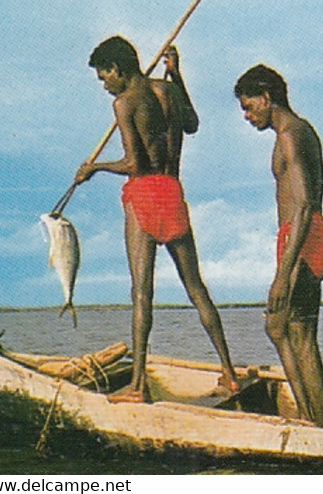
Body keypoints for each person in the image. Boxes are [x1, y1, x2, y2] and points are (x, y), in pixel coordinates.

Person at [73, 36, 238, 402]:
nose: (105, 86)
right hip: (173, 191)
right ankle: (228, 372)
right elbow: (192, 125)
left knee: (141, 293)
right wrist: (177, 75)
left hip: (145, 195)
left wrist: (95, 168)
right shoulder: (167, 90)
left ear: (117, 68)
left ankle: (137, 386)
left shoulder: (125, 103)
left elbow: (136, 164)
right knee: (196, 288)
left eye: (104, 77)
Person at [236, 64, 323, 425]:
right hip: (296, 237)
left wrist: (283, 273)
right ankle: (311, 416)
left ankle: (321, 425)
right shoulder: (295, 132)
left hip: (303, 238)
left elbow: (305, 204)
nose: (248, 116)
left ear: (266, 98)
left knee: (302, 336)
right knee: (278, 328)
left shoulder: (292, 134)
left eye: (249, 107)